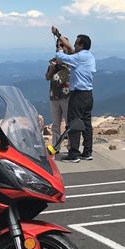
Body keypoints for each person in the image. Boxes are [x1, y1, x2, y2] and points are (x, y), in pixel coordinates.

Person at [51, 26, 96, 162]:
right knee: (87, 124)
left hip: (78, 95)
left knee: (74, 123)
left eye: (76, 43)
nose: (74, 45)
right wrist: (58, 35)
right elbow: (70, 49)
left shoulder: (79, 58)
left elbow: (61, 56)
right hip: (88, 95)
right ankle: (87, 152)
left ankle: (74, 154)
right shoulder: (89, 56)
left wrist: (59, 47)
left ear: (81, 45)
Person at [45, 38, 70, 151]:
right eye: (58, 46)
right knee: (55, 124)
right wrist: (52, 68)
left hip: (66, 95)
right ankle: (55, 147)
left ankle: (71, 147)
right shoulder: (53, 61)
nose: (59, 47)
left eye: (61, 45)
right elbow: (47, 77)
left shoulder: (70, 60)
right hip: (54, 95)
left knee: (69, 123)